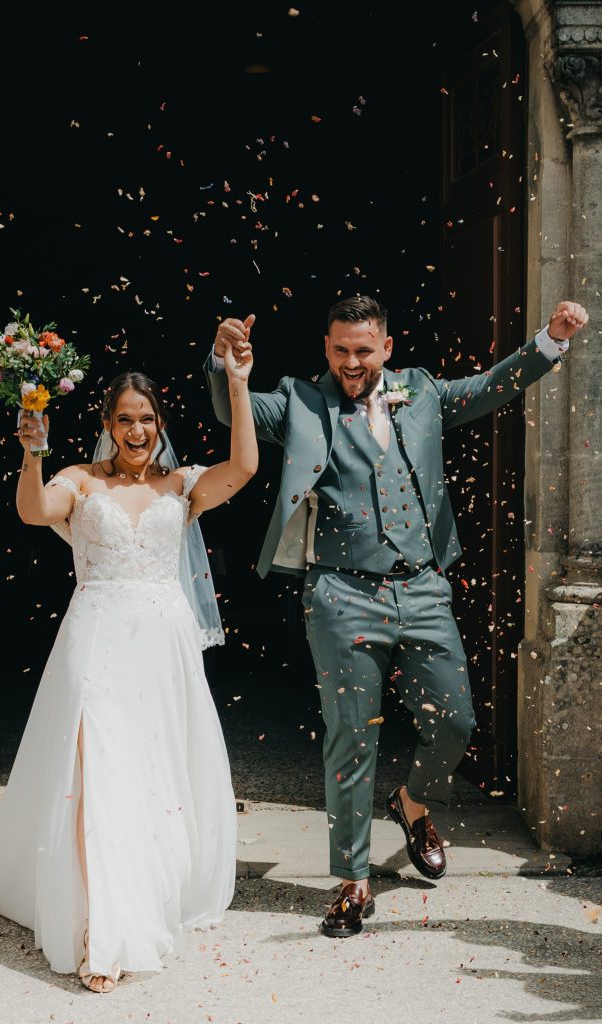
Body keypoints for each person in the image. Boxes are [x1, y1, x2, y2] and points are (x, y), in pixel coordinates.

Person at [206, 297, 588, 938]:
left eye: (363, 350)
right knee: (352, 737)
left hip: (422, 588)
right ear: (325, 348)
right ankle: (353, 881)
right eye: (340, 350)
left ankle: (412, 802)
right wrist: (228, 368)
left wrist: (549, 340)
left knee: (456, 721)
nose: (351, 363)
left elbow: (493, 386)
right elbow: (231, 410)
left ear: (386, 347)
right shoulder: (302, 400)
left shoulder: (423, 392)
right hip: (341, 594)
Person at [0, 340, 257, 992]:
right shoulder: (79, 480)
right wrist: (33, 451)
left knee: (149, 775)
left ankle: (142, 894)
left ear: (161, 424)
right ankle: (102, 934)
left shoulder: (180, 486)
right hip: (96, 638)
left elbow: (244, 466)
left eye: (147, 419)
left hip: (162, 648)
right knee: (96, 770)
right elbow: (33, 511)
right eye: (124, 418)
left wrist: (237, 382)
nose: (136, 430)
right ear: (106, 423)